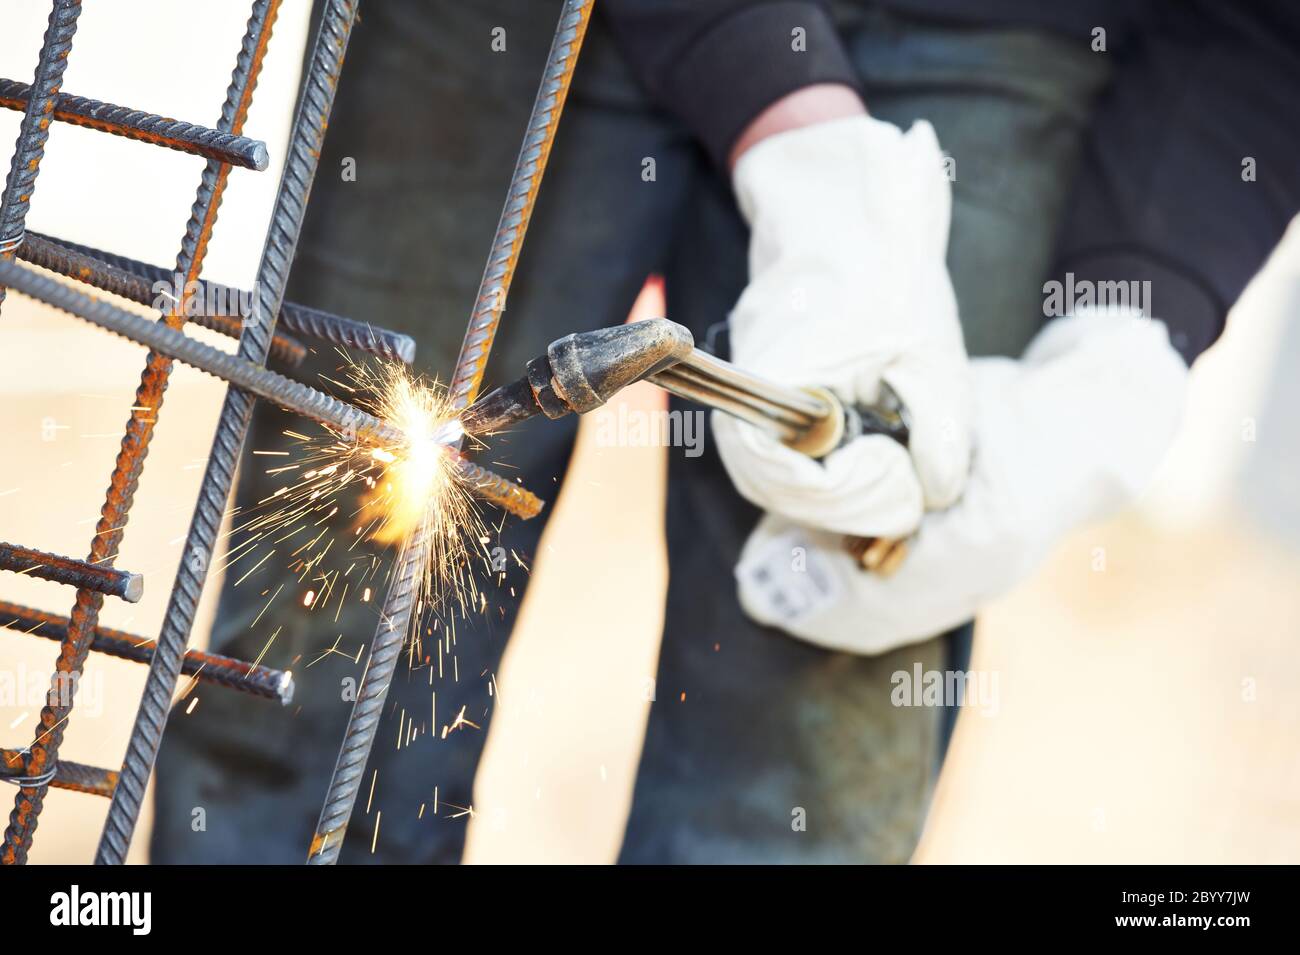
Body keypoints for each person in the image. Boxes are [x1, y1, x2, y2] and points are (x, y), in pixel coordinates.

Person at [153, 0, 1300, 863]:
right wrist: (784, 112)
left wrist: (1126, 329)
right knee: (336, 631)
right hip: (513, 29)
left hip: (994, 36)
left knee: (805, 745)